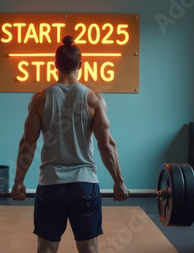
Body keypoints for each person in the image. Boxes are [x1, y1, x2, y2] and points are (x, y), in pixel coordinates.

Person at [11, 35, 129, 253]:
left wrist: (19, 181)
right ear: (80, 65)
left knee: (46, 249)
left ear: (55, 65)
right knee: (89, 250)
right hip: (84, 185)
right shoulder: (94, 99)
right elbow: (106, 145)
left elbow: (28, 144)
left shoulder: (39, 99)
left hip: (50, 184)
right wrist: (118, 182)